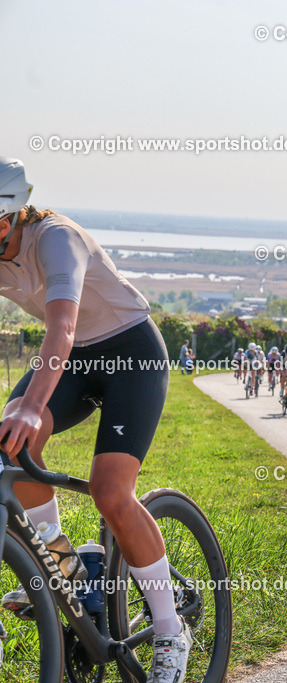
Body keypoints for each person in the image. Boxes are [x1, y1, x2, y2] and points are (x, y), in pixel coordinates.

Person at [0, 157, 192, 680]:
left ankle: (171, 628)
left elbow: (61, 328)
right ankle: (61, 563)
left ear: (13, 216)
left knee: (110, 492)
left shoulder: (55, 239)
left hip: (130, 352)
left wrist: (33, 406)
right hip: (75, 361)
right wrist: (22, 413)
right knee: (12, 443)